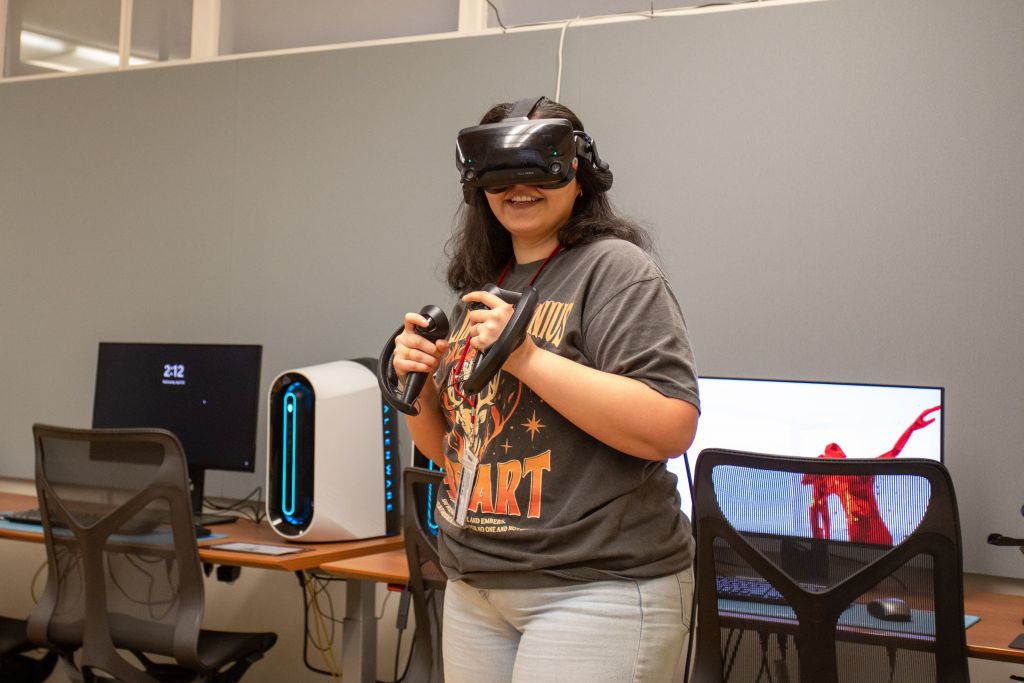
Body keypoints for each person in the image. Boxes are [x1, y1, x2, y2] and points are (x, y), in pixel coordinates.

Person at [391, 96, 701, 682]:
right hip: (476, 585)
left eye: (538, 169)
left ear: (578, 171)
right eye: (499, 175)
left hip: (594, 587)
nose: (518, 188)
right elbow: (453, 453)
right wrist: (420, 385)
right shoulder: (488, 285)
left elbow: (670, 425)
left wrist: (526, 356)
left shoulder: (616, 269)